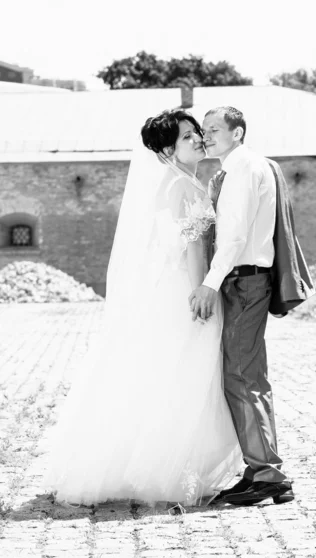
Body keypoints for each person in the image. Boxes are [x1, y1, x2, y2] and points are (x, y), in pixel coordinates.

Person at [42, 109, 241, 507]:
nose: (200, 140)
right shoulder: (180, 187)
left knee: (169, 374)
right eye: (188, 137)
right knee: (183, 374)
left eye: (198, 133)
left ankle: (170, 463)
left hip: (173, 287)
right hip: (185, 289)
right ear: (168, 149)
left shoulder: (182, 181)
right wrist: (202, 290)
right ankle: (168, 468)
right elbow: (189, 250)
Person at [190, 106, 295, 506]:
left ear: (238, 132)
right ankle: (260, 470)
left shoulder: (243, 169)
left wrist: (208, 284)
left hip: (245, 281)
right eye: (204, 130)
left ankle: (269, 474)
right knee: (247, 376)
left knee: (240, 376)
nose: (206, 135)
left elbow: (233, 237)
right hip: (247, 280)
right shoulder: (238, 168)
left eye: (215, 129)